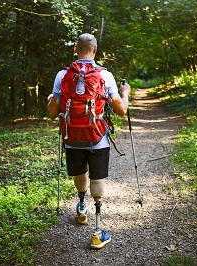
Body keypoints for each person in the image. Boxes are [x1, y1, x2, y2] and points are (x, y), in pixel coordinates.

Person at [47, 33, 130, 249]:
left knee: (79, 173)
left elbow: (52, 114)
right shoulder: (105, 75)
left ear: (76, 48)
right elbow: (121, 110)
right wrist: (126, 93)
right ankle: (97, 232)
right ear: (95, 50)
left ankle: (82, 207)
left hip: (71, 138)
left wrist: (52, 99)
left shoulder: (62, 75)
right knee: (97, 180)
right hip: (97, 138)